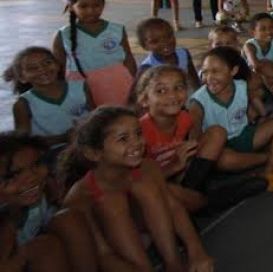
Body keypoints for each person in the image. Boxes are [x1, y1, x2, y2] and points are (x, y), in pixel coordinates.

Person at [61, 106, 214, 272]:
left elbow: (172, 206)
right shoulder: (80, 196)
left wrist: (197, 252)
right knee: (111, 201)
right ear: (94, 154)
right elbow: (103, 255)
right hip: (115, 255)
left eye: (138, 134)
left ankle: (174, 265)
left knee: (149, 187)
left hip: (147, 231)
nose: (137, 143)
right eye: (123, 139)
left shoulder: (146, 166)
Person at [136, 65, 266, 212]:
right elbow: (137, 181)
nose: (172, 95)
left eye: (178, 88)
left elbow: (197, 148)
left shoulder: (185, 118)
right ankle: (208, 201)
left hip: (185, 176)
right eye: (161, 91)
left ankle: (196, 194)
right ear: (144, 100)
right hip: (158, 183)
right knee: (173, 192)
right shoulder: (138, 132)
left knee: (217, 132)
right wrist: (175, 167)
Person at [190, 47, 273, 192]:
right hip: (222, 148)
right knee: (223, 160)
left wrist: (258, 118)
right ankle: (271, 157)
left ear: (233, 71)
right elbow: (194, 138)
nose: (209, 77)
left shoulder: (242, 87)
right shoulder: (198, 101)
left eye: (215, 71)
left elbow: (244, 108)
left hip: (245, 135)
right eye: (205, 72)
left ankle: (269, 170)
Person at [0, 133, 98, 272]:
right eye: (13, 176)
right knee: (44, 248)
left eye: (36, 165)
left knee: (69, 219)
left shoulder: (43, 191)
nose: (32, 178)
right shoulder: (4, 227)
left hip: (29, 250)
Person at [52, 0, 136, 107]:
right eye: (83, 6)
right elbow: (59, 69)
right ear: (71, 7)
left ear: (103, 5)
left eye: (97, 5)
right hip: (80, 86)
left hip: (118, 83)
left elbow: (128, 59)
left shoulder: (116, 29)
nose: (91, 10)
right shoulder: (63, 35)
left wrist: (136, 83)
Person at [5, 47, 91, 150]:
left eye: (47, 63)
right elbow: (25, 143)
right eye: (32, 68)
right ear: (22, 78)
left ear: (58, 65)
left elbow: (94, 116)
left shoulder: (80, 87)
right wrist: (63, 138)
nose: (42, 69)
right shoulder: (23, 104)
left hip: (87, 145)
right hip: (53, 152)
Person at [136, 17, 200, 89]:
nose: (164, 43)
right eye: (155, 41)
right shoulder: (147, 67)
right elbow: (136, 94)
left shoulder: (183, 53)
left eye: (168, 36)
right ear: (145, 46)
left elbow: (193, 78)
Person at [243, 13, 273, 106]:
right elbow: (255, 66)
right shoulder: (250, 46)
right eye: (263, 29)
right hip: (254, 79)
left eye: (271, 27)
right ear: (252, 33)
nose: (268, 32)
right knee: (264, 65)